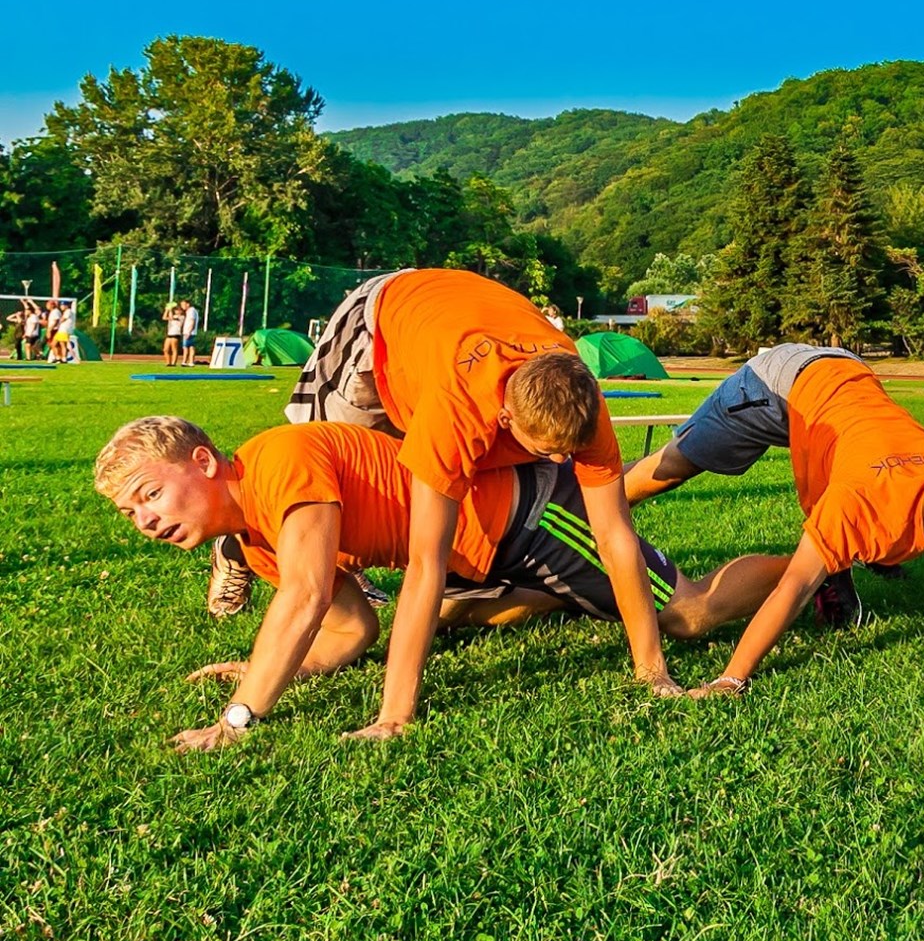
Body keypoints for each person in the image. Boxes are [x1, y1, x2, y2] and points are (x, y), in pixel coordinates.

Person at [92, 416, 791, 751]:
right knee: (451, 616)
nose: (144, 521)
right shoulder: (257, 539)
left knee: (690, 614)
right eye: (129, 514)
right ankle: (556, 597)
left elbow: (304, 597)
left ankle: (814, 567)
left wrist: (238, 717)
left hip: (526, 519)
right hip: (471, 557)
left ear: (205, 463)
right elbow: (346, 626)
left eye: (149, 495)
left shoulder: (278, 463)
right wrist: (274, 666)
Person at [281, 267, 681, 737]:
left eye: (566, 453)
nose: (558, 461)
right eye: (545, 450)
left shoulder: (583, 404)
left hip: (471, 316)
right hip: (382, 315)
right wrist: (395, 716)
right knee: (320, 475)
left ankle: (465, 588)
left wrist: (652, 671)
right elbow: (423, 562)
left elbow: (615, 537)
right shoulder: (457, 410)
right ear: (505, 417)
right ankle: (244, 557)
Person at [622, 345, 924, 695]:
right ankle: (599, 501)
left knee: (829, 547)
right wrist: (731, 679)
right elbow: (791, 589)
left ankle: (842, 568)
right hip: (780, 382)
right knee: (673, 468)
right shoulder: (858, 503)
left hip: (851, 378)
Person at [163, 302, 184, 367]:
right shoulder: (174, 316)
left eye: (179, 310)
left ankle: (173, 363)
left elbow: (171, 318)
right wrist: (167, 310)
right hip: (169, 334)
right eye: (176, 310)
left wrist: (170, 310)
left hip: (176, 334)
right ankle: (168, 362)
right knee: (165, 349)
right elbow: (164, 318)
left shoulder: (182, 317)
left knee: (174, 349)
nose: (177, 311)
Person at [180, 300, 199, 367]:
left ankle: (185, 361)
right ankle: (190, 361)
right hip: (189, 332)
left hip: (189, 332)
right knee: (190, 347)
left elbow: (192, 321)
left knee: (186, 347)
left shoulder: (191, 311)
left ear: (188, 304)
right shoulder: (190, 311)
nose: (182, 307)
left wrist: (189, 332)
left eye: (183, 305)